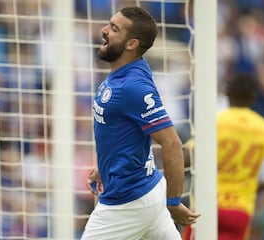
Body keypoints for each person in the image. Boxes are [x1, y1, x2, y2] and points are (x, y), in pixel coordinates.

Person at [81, 6, 200, 240]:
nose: (104, 30)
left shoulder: (132, 87)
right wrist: (106, 167)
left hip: (127, 204)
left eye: (114, 29)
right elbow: (131, 130)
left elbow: (172, 143)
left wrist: (174, 202)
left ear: (132, 44)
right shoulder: (133, 69)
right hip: (148, 189)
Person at [183, 73, 264, 240]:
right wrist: (260, 187)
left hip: (206, 204)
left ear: (227, 92)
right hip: (240, 209)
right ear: (254, 97)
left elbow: (186, 158)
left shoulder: (215, 122)